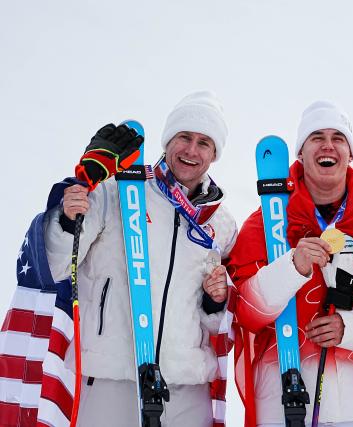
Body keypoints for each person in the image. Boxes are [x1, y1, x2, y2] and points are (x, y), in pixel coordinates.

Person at [43, 91, 237, 426]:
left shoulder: (221, 223)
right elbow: (57, 264)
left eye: (204, 142)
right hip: (111, 375)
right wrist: (66, 217)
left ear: (214, 154)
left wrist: (215, 300)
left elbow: (216, 322)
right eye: (184, 137)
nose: (192, 150)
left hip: (186, 386)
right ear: (167, 141)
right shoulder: (116, 190)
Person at [228, 101, 353, 426]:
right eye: (316, 136)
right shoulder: (263, 223)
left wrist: (350, 329)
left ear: (351, 154)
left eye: (338, 137)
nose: (328, 144)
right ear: (301, 154)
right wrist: (294, 266)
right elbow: (245, 313)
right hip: (280, 399)